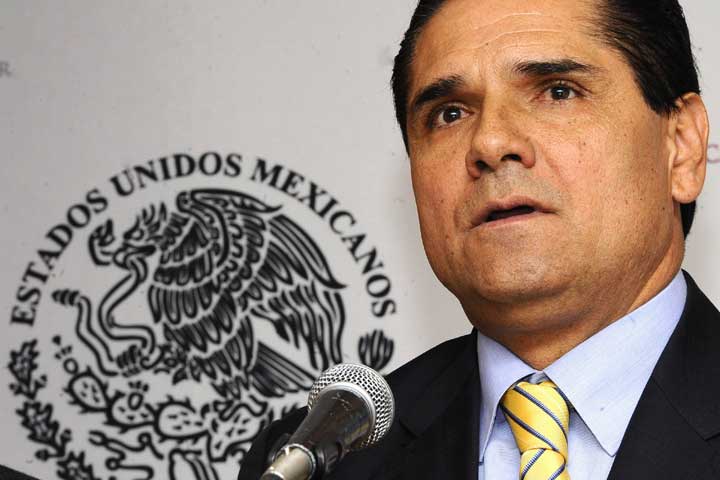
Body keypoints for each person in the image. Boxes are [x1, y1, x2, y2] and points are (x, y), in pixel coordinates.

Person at [238, 0, 715, 478]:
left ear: (682, 147)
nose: (489, 142)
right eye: (450, 114)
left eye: (558, 92)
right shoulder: (313, 463)